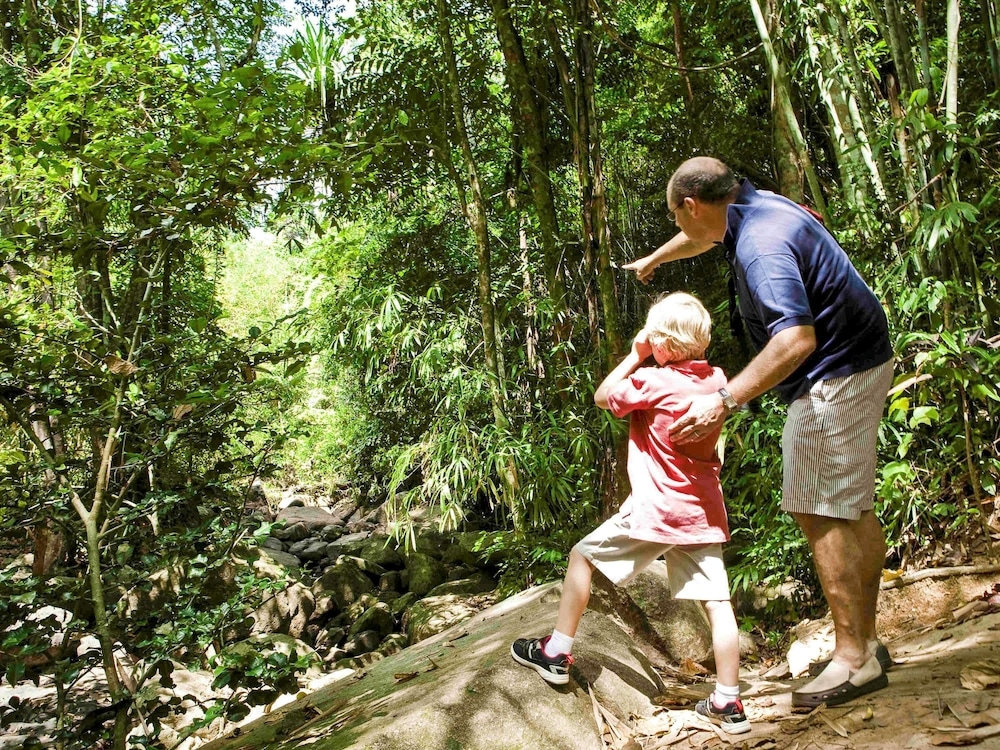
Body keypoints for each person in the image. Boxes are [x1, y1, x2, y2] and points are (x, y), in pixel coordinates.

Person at [623, 156, 895, 710]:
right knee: (851, 505)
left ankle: (853, 659)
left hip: (833, 375)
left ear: (692, 206)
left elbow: (795, 339)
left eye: (679, 220)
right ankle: (867, 643)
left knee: (820, 509)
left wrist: (724, 399)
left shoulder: (761, 245)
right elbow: (697, 239)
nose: (682, 232)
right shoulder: (752, 205)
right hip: (864, 358)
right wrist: (655, 258)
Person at [510, 292, 751, 735]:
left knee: (582, 556)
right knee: (718, 604)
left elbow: (603, 396)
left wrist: (636, 355)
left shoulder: (654, 380)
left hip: (657, 509)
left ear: (661, 343)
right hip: (700, 512)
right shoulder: (717, 379)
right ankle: (728, 702)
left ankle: (556, 652)